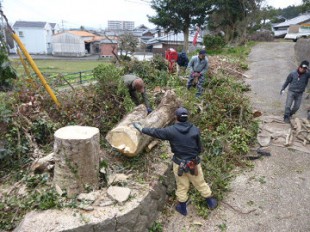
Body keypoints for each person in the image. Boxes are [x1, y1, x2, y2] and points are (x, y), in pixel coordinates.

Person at [133, 107, 217, 216]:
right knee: (200, 183)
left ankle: (183, 209)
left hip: (179, 164)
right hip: (193, 164)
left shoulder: (171, 130)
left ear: (176, 117)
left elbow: (155, 132)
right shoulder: (195, 129)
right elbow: (200, 149)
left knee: (182, 186)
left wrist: (142, 129)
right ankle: (210, 203)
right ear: (187, 118)